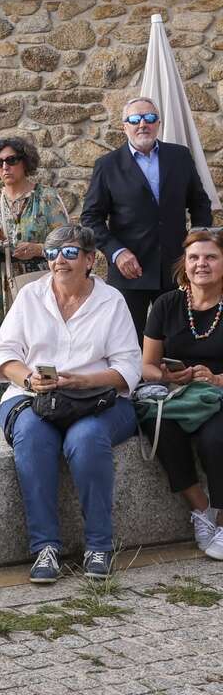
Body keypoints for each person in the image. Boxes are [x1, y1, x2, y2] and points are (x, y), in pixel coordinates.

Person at [0, 225, 141, 583]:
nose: (59, 260)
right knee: (32, 436)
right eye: (53, 252)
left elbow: (128, 369)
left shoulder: (111, 301)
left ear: (91, 260)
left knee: (85, 440)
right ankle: (45, 547)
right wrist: (30, 379)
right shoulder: (30, 296)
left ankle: (99, 546)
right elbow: (4, 354)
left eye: (70, 253)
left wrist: (82, 380)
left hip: (100, 400)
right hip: (34, 397)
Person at [81, 96, 213, 339]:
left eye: (149, 118)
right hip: (130, 272)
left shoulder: (180, 157)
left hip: (176, 268)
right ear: (125, 126)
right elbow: (90, 218)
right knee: (127, 343)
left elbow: (200, 203)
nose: (143, 124)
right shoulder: (107, 165)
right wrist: (117, 252)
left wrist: (195, 246)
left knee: (179, 340)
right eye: (135, 119)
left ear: (158, 123)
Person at [139, 228, 223, 560]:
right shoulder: (167, 304)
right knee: (161, 429)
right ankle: (201, 511)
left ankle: (222, 518)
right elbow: (146, 365)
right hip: (177, 395)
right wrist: (167, 374)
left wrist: (216, 379)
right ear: (184, 264)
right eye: (194, 257)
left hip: (218, 394)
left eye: (211, 257)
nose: (201, 264)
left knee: (214, 439)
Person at [0, 137, 70, 321]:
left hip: (39, 283)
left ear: (25, 162)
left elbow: (67, 244)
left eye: (12, 160)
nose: (5, 167)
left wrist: (38, 249)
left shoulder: (47, 198)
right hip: (0, 287)